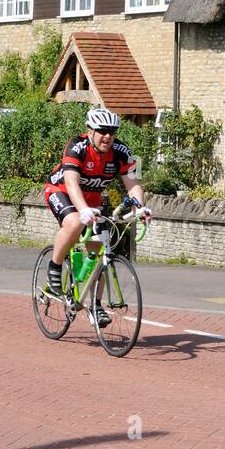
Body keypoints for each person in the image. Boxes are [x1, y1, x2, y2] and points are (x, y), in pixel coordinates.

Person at [43, 107, 151, 324]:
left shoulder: (122, 151)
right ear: (90, 130)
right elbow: (71, 182)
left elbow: (134, 184)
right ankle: (54, 269)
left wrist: (139, 208)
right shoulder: (77, 146)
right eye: (102, 131)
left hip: (92, 198)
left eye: (112, 131)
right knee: (73, 223)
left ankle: (95, 304)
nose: (108, 136)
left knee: (101, 249)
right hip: (61, 191)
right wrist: (81, 210)